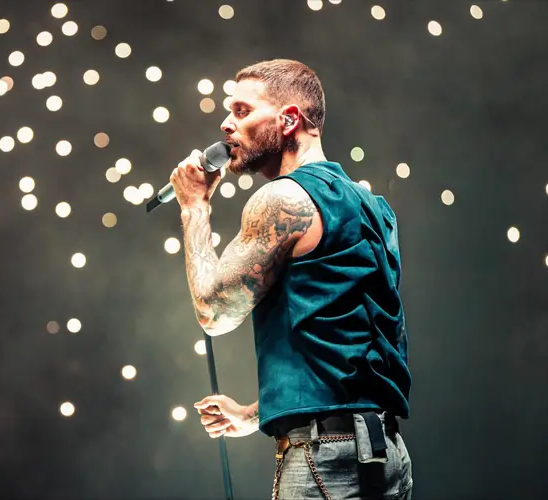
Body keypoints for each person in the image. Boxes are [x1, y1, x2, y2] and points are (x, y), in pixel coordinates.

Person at [169, 59, 413, 500]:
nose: (226, 124)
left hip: (324, 459)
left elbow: (213, 312)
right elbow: (352, 357)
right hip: (387, 454)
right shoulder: (376, 208)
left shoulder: (284, 198)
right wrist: (253, 415)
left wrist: (194, 208)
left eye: (242, 111)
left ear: (288, 119)